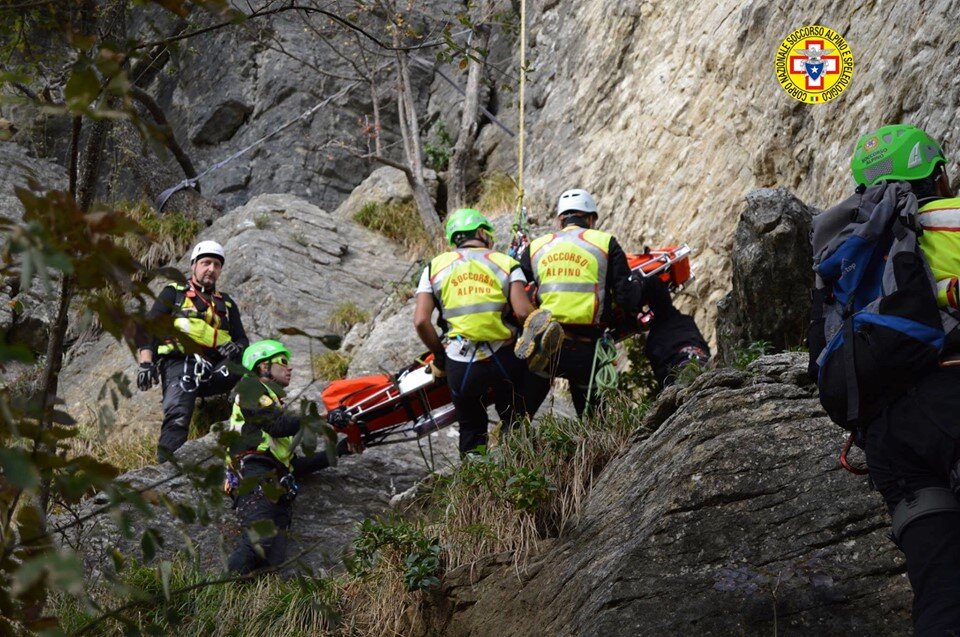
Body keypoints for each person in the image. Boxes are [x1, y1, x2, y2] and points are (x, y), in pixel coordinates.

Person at [832, 124, 960, 634]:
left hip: (886, 443)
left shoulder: (843, 256)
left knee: (943, 594)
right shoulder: (950, 218)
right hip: (950, 400)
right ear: (937, 174)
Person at [519, 188, 710, 418]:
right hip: (586, 347)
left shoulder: (536, 247)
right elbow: (627, 299)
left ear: (561, 219)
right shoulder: (605, 243)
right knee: (593, 420)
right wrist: (639, 281)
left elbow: (518, 289)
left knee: (520, 413)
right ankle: (591, 444)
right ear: (590, 218)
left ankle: (512, 426)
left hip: (548, 344)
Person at [414, 208, 535, 453]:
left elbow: (420, 321)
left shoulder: (434, 268)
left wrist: (440, 357)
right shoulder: (506, 263)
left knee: (471, 429)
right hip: (503, 358)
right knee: (515, 423)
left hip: (460, 361)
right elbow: (524, 313)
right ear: (482, 233)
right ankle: (525, 475)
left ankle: (478, 486)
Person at [224, 339, 348, 575]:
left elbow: (295, 465)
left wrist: (341, 451)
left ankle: (249, 606)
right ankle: (217, 603)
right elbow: (277, 426)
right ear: (262, 367)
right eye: (282, 361)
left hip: (275, 480)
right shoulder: (250, 389)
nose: (289, 367)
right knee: (256, 544)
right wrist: (324, 417)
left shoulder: (273, 405)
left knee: (273, 560)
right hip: (254, 473)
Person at [135, 240, 249, 462]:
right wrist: (146, 362)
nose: (211, 269)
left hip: (216, 370)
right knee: (178, 413)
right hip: (181, 364)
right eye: (206, 263)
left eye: (216, 265)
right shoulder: (173, 293)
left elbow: (242, 339)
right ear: (193, 265)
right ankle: (167, 465)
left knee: (253, 359)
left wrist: (236, 348)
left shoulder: (226, 303)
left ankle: (253, 432)